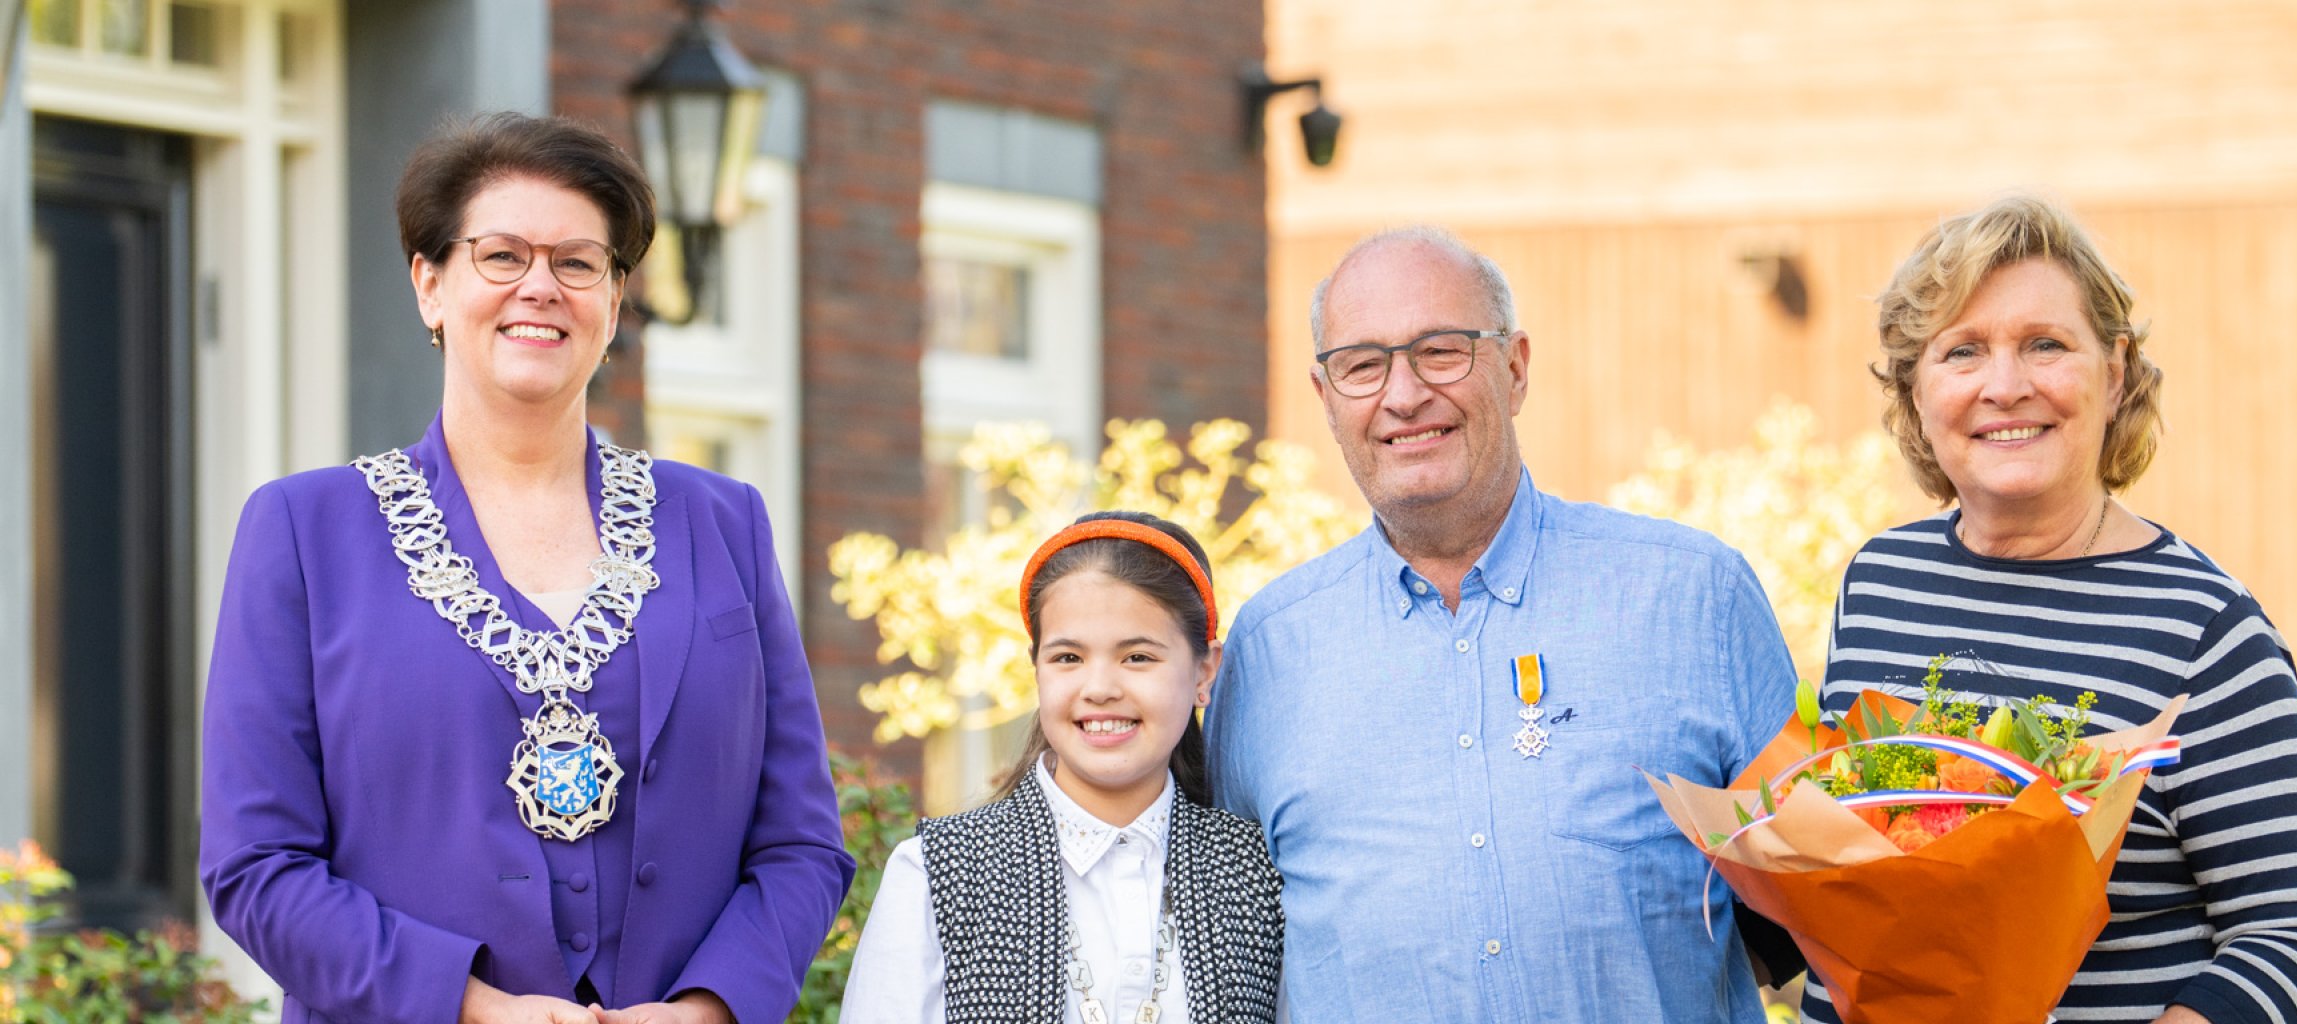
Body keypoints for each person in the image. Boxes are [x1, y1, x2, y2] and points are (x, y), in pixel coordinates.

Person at [199, 112, 855, 1024]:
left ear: (615, 302)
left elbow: (801, 844)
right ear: (430, 284)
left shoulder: (722, 523)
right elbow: (254, 865)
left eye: (578, 262)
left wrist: (706, 1010)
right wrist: (470, 1007)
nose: (540, 287)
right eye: (501, 255)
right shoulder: (305, 533)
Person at [1205, 226, 1798, 1022]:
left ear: (1515, 368)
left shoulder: (1696, 599)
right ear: (1326, 398)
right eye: (1362, 365)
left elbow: (1818, 929)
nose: (1404, 394)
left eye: (1441, 351)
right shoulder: (1267, 652)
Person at [1807, 195, 2297, 1023]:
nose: (2006, 386)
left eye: (2045, 345)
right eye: (1962, 352)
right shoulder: (1883, 579)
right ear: (1916, 390)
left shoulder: (2204, 629)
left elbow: (2295, 934)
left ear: (2116, 371)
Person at [841, 511, 1285, 1024]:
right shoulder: (935, 874)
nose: (1099, 688)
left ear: (1204, 671)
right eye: (1068, 658)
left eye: (1138, 657)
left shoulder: (1260, 874)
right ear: (1037, 671)